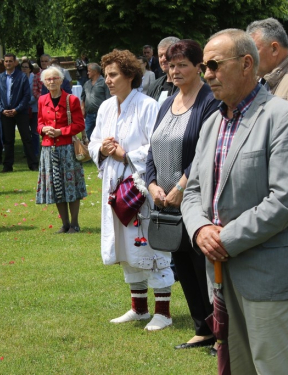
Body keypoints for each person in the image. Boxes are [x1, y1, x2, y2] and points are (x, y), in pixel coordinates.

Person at [181, 28, 288, 374]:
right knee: (238, 367)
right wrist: (199, 230)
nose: (206, 73)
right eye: (204, 66)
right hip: (222, 274)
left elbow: (286, 199)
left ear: (246, 64)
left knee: (276, 368)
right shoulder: (212, 123)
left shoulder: (285, 118)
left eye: (213, 65)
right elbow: (193, 190)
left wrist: (221, 238)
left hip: (268, 273)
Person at [88, 49, 174, 331]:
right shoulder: (105, 107)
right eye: (107, 75)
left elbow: (158, 144)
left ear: (130, 75)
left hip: (140, 185)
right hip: (114, 184)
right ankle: (139, 308)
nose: (108, 80)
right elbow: (93, 141)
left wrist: (126, 154)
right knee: (125, 245)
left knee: (148, 242)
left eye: (113, 75)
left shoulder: (148, 106)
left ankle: (163, 310)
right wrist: (102, 148)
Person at [246, 17, 288, 374]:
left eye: (253, 50)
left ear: (274, 48)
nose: (249, 59)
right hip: (268, 198)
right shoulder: (263, 83)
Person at [146, 40, 219, 344]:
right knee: (183, 265)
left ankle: (221, 333)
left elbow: (206, 152)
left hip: (196, 200)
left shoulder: (209, 101)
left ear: (199, 67)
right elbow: (152, 149)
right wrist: (152, 186)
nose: (175, 71)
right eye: (171, 65)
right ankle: (202, 328)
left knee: (203, 266)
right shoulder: (166, 103)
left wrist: (179, 187)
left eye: (182, 65)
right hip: (166, 203)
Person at [36, 67, 87, 233]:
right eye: (48, 79)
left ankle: (75, 223)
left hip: (67, 149)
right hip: (49, 149)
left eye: (55, 78)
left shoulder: (71, 100)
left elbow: (80, 125)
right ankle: (64, 224)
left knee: (71, 186)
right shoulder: (42, 99)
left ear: (61, 80)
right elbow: (39, 123)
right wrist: (43, 129)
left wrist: (61, 131)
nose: (52, 82)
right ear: (44, 82)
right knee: (56, 186)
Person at [0, 53, 39, 172]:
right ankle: (7, 165)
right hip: (5, 113)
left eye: (10, 61)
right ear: (4, 63)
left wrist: (17, 109)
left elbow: (26, 95)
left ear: (15, 63)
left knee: (26, 138)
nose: (8, 63)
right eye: (6, 61)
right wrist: (2, 110)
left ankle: (33, 164)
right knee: (8, 140)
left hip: (21, 112)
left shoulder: (22, 77)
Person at [80, 63, 110, 140]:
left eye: (89, 71)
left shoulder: (104, 82)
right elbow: (83, 97)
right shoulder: (87, 83)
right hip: (89, 114)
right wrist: (82, 107)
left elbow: (109, 98)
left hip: (101, 114)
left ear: (95, 71)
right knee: (87, 132)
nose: (87, 73)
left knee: (101, 134)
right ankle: (90, 148)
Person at [146, 37, 180, 104]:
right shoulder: (154, 86)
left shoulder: (189, 85)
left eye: (167, 54)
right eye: (160, 56)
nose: (163, 59)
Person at [21, 61, 40, 157]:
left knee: (34, 131)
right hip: (23, 109)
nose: (24, 69)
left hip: (34, 108)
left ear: (30, 69)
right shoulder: (19, 78)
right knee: (25, 132)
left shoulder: (35, 78)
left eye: (26, 67)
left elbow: (37, 91)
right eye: (22, 67)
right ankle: (27, 152)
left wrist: (28, 101)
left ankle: (36, 151)